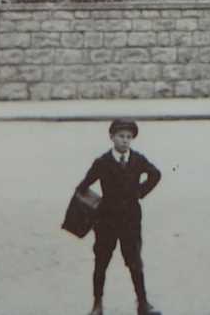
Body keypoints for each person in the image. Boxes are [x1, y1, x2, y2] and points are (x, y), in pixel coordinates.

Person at [76, 118, 162, 315]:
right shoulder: (102, 162)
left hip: (131, 219)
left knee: (134, 261)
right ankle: (97, 304)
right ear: (112, 137)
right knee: (102, 261)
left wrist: (140, 192)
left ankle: (143, 304)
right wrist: (93, 207)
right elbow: (83, 186)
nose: (125, 141)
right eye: (121, 136)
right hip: (106, 220)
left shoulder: (138, 159)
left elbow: (155, 174)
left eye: (128, 137)